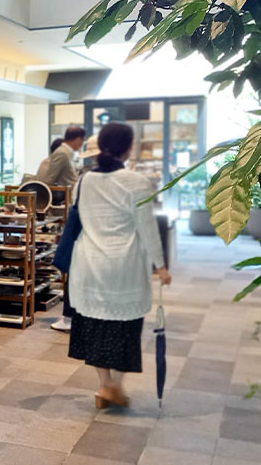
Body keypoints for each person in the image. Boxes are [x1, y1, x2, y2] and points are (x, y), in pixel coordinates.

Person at [66, 122, 171, 408]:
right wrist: (161, 266)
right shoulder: (137, 182)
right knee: (125, 327)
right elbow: (148, 229)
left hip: (89, 263)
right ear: (129, 148)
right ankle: (116, 386)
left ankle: (104, 385)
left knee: (95, 325)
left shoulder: (83, 181)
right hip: (125, 265)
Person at [51, 134, 100, 333]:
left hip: (84, 234)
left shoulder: (86, 179)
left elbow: (76, 207)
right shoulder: (124, 179)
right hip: (104, 238)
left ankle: (69, 318)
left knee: (76, 275)